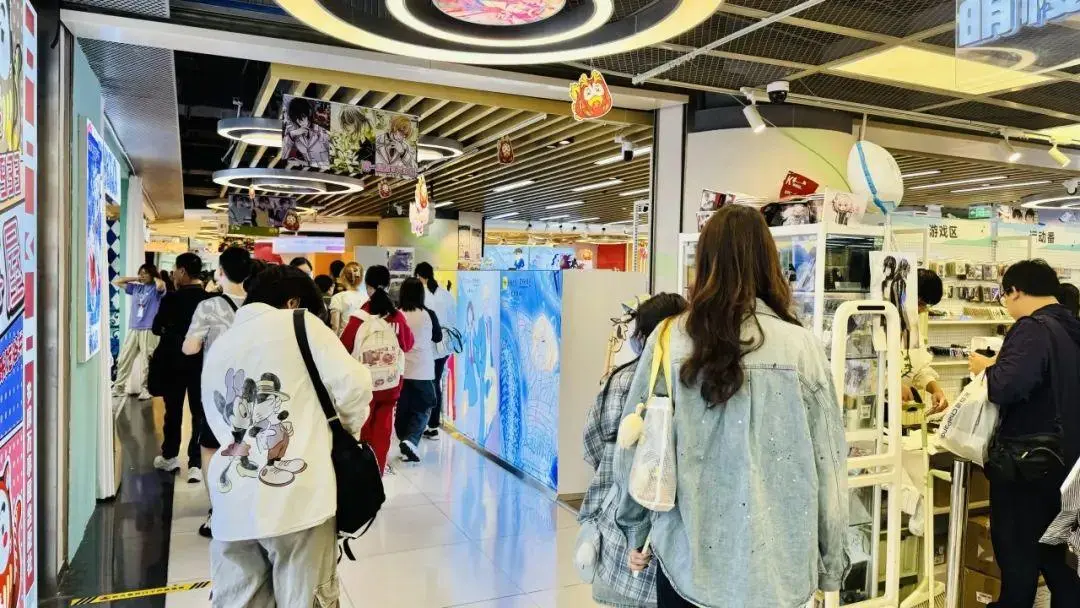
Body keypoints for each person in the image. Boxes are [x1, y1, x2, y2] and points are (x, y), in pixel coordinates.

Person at [617, 205, 847, 608]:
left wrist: (635, 529)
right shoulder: (802, 349)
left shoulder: (669, 339)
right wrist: (831, 564)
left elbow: (637, 446)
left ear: (704, 262)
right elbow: (829, 463)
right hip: (779, 573)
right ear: (768, 262)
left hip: (688, 562)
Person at [202, 265, 372, 608]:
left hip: (233, 505)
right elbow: (355, 387)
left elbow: (219, 424)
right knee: (305, 598)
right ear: (294, 302)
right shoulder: (300, 322)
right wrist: (343, 431)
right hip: (300, 502)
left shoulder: (220, 346)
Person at [969, 260, 1080, 608]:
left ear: (1016, 291)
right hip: (1068, 466)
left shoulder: (1032, 329)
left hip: (1028, 466)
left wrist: (986, 369)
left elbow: (1006, 387)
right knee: (1060, 562)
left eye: (1004, 295)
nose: (1005, 303)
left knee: (1018, 559)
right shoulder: (1072, 327)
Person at [581, 293, 687, 608]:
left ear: (642, 336)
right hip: (678, 538)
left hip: (622, 531)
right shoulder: (695, 379)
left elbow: (592, 443)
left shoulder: (621, 379)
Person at [183, 246, 253, 538]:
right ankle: (248, 508)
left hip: (217, 393)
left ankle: (219, 511)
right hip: (252, 390)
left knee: (211, 448)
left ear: (220, 272)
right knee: (247, 446)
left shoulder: (209, 306)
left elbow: (190, 348)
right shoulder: (259, 304)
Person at [341, 265, 415, 474]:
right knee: (383, 428)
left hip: (365, 383)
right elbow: (408, 344)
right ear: (389, 285)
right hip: (391, 383)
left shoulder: (359, 318)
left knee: (363, 425)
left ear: (367, 286)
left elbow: (344, 347)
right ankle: (378, 469)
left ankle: (363, 470)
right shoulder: (397, 317)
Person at [150, 253, 211, 482]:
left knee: (173, 410)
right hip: (201, 364)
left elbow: (156, 328)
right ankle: (196, 463)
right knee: (199, 413)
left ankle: (170, 456)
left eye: (176, 269)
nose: (174, 274)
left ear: (183, 271)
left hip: (173, 362)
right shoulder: (209, 300)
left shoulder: (171, 299)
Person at [395, 277, 442, 463]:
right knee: (423, 407)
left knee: (403, 407)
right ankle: (411, 440)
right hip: (423, 370)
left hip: (401, 370)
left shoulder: (397, 314)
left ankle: (405, 439)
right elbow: (438, 337)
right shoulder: (428, 314)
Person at [111, 264, 166, 399]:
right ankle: (119, 387)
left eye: (145, 273)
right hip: (134, 327)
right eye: (140, 273)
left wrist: (154, 277)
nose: (142, 275)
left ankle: (146, 389)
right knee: (124, 358)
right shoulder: (136, 288)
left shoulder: (155, 289)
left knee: (148, 361)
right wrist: (137, 278)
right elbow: (117, 281)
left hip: (149, 328)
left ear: (152, 274)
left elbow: (161, 285)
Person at [415, 262, 455, 440]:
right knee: (436, 383)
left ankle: (424, 423)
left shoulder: (421, 295)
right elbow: (453, 319)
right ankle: (433, 425)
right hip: (443, 346)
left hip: (426, 346)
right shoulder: (446, 295)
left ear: (419, 276)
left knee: (424, 385)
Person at [902, 268, 949, 413]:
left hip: (898, 410)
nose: (923, 310)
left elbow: (918, 369)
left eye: (926, 305)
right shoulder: (878, 325)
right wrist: (893, 385)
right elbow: (868, 372)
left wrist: (936, 390)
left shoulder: (911, 328)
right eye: (921, 303)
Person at [329, 262, 368, 336]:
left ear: (343, 277)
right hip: (362, 339)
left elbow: (335, 327)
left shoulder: (338, 297)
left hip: (344, 338)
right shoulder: (367, 298)